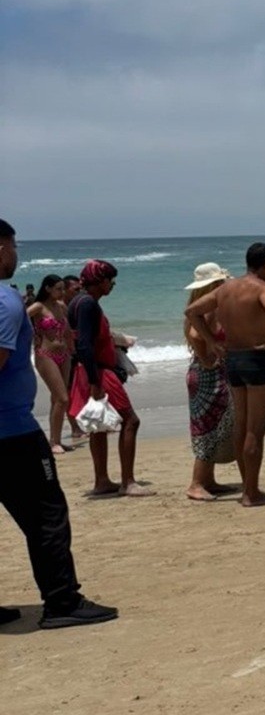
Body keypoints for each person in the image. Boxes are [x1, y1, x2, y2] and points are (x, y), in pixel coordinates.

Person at [0, 218, 118, 630]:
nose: (16, 254)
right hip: (10, 431)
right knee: (47, 513)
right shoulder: (6, 300)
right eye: (13, 246)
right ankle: (62, 601)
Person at [184, 242, 265, 507]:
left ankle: (247, 488)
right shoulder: (263, 288)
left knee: (240, 426)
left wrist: (212, 343)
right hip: (258, 359)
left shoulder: (225, 289)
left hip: (233, 361)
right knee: (255, 430)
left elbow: (192, 312)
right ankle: (251, 493)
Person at [68, 260, 152, 496]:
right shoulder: (88, 304)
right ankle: (128, 482)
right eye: (109, 280)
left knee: (99, 426)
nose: (112, 285)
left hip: (87, 370)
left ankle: (102, 480)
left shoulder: (78, 301)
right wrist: (96, 382)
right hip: (98, 371)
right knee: (130, 421)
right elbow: (83, 344)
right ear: (98, 281)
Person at [182, 263, 238, 502]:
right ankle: (196, 483)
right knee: (208, 426)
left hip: (205, 371)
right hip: (209, 373)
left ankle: (208, 480)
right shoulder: (209, 308)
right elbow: (195, 336)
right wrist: (209, 352)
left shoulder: (198, 306)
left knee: (212, 425)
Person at [26, 274, 78, 453]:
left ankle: (55, 440)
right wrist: (32, 334)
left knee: (59, 399)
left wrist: (72, 349)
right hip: (45, 355)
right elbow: (18, 319)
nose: (62, 292)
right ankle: (54, 442)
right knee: (62, 398)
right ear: (47, 288)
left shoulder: (61, 306)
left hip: (64, 355)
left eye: (63, 288)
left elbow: (68, 330)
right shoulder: (38, 307)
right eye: (58, 289)